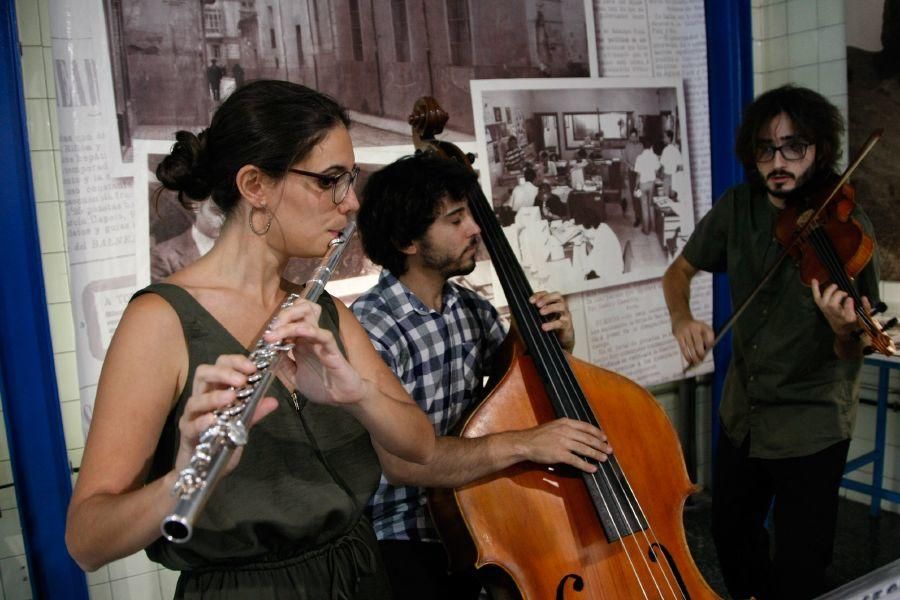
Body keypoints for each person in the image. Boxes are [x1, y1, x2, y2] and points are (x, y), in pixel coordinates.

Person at [65, 80, 436, 599]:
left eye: (349, 180)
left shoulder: (320, 308)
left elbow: (419, 445)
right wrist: (186, 476)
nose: (350, 203)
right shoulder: (161, 321)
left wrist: (357, 394)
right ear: (255, 185)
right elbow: (87, 541)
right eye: (329, 181)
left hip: (359, 575)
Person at [351, 154, 611, 600]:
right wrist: (527, 442)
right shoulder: (370, 329)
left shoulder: (470, 308)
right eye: (455, 219)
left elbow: (525, 388)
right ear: (406, 241)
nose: (475, 228)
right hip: (399, 536)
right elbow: (405, 463)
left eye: (469, 213)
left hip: (477, 516)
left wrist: (556, 342)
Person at [661, 85, 881, 600]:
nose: (777, 161)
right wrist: (681, 318)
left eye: (793, 147)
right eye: (766, 148)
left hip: (811, 422)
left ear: (819, 151)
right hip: (744, 413)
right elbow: (679, 272)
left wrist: (843, 332)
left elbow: (857, 349)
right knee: (730, 534)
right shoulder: (739, 207)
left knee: (802, 563)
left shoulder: (850, 229)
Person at [151, 198, 225, 282]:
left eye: (230, 213)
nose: (224, 220)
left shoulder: (237, 247)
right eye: (216, 212)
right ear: (196, 206)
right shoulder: (163, 256)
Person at [633, 139, 660, 233]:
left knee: (644, 207)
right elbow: (657, 171)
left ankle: (646, 229)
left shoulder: (639, 158)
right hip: (652, 184)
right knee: (651, 205)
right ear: (651, 146)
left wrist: (636, 186)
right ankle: (654, 228)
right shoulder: (655, 157)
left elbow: (638, 175)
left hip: (643, 184)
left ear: (642, 146)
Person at [622, 128, 643, 219]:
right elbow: (624, 159)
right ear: (629, 137)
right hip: (631, 171)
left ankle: (642, 213)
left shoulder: (641, 146)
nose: (633, 138)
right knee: (633, 193)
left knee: (639, 192)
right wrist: (629, 165)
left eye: (634, 136)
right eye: (631, 136)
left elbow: (643, 159)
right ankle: (637, 215)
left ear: (637, 136)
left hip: (640, 172)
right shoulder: (627, 146)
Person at [659, 129, 683, 199]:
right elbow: (680, 166)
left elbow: (662, 165)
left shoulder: (665, 150)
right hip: (675, 176)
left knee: (666, 197)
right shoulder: (676, 150)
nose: (663, 139)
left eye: (665, 137)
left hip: (667, 176)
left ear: (669, 138)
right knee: (673, 196)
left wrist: (661, 175)